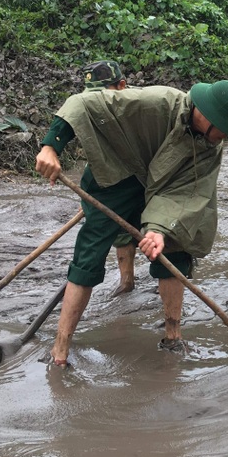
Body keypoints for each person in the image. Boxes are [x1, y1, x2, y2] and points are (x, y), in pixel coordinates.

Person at [34, 80, 228, 366]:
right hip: (118, 176)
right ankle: (60, 349)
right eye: (225, 128)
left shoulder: (211, 145)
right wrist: (51, 146)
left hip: (163, 190)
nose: (226, 136)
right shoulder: (156, 102)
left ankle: (173, 336)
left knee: (176, 247)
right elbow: (82, 104)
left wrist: (158, 230)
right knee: (89, 255)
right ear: (209, 116)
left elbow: (186, 194)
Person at [80, 60, 136, 297]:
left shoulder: (139, 107)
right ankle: (127, 280)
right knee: (120, 231)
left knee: (160, 230)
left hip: (142, 175)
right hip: (112, 176)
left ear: (121, 86)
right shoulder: (88, 107)